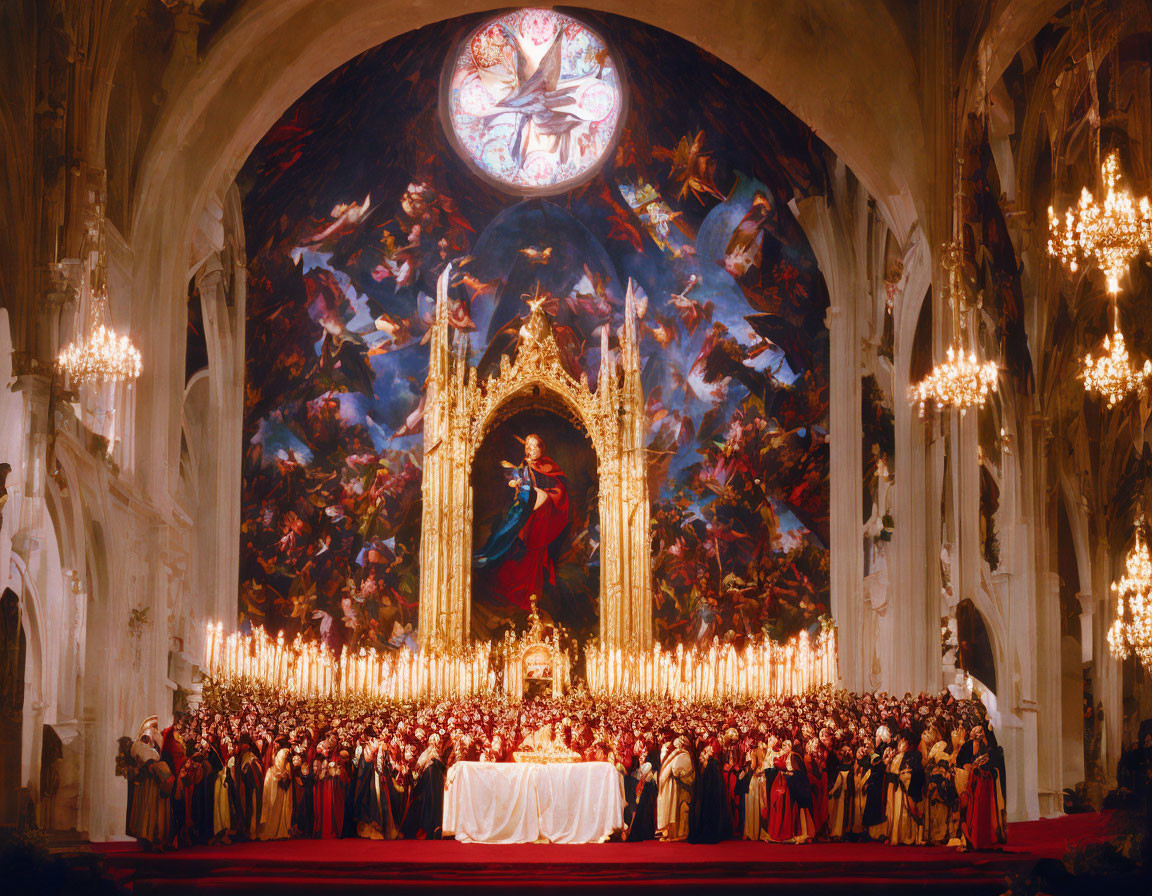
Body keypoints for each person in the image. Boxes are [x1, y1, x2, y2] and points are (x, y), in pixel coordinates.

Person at [474, 433, 569, 609]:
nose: (530, 450)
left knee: (532, 555)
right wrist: (515, 482)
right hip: (524, 514)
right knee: (511, 544)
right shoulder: (524, 465)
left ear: (542, 448)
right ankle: (506, 589)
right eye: (527, 447)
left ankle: (529, 597)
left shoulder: (549, 467)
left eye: (534, 446)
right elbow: (520, 484)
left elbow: (560, 492)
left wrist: (546, 497)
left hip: (541, 517)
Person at [657, 736, 694, 841]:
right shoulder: (677, 754)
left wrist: (676, 772)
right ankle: (672, 833)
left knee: (681, 809)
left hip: (682, 787)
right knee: (675, 809)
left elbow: (678, 770)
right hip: (675, 786)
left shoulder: (684, 755)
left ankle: (681, 834)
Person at [258, 743, 294, 840]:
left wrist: (285, 778)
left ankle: (282, 830)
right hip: (273, 799)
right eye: (284, 758)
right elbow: (268, 786)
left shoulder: (287, 770)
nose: (285, 761)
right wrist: (278, 779)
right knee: (273, 815)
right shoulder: (271, 771)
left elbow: (289, 785)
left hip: (282, 798)